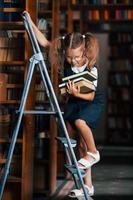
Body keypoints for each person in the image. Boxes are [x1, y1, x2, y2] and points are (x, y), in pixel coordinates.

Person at [30, 14, 104, 198]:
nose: (73, 61)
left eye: (77, 57)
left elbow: (91, 95)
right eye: (69, 58)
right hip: (74, 101)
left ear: (84, 51)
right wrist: (30, 22)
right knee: (80, 145)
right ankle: (88, 186)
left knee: (80, 123)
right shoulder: (66, 54)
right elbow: (45, 43)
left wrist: (75, 93)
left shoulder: (90, 67)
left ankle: (94, 153)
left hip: (90, 101)